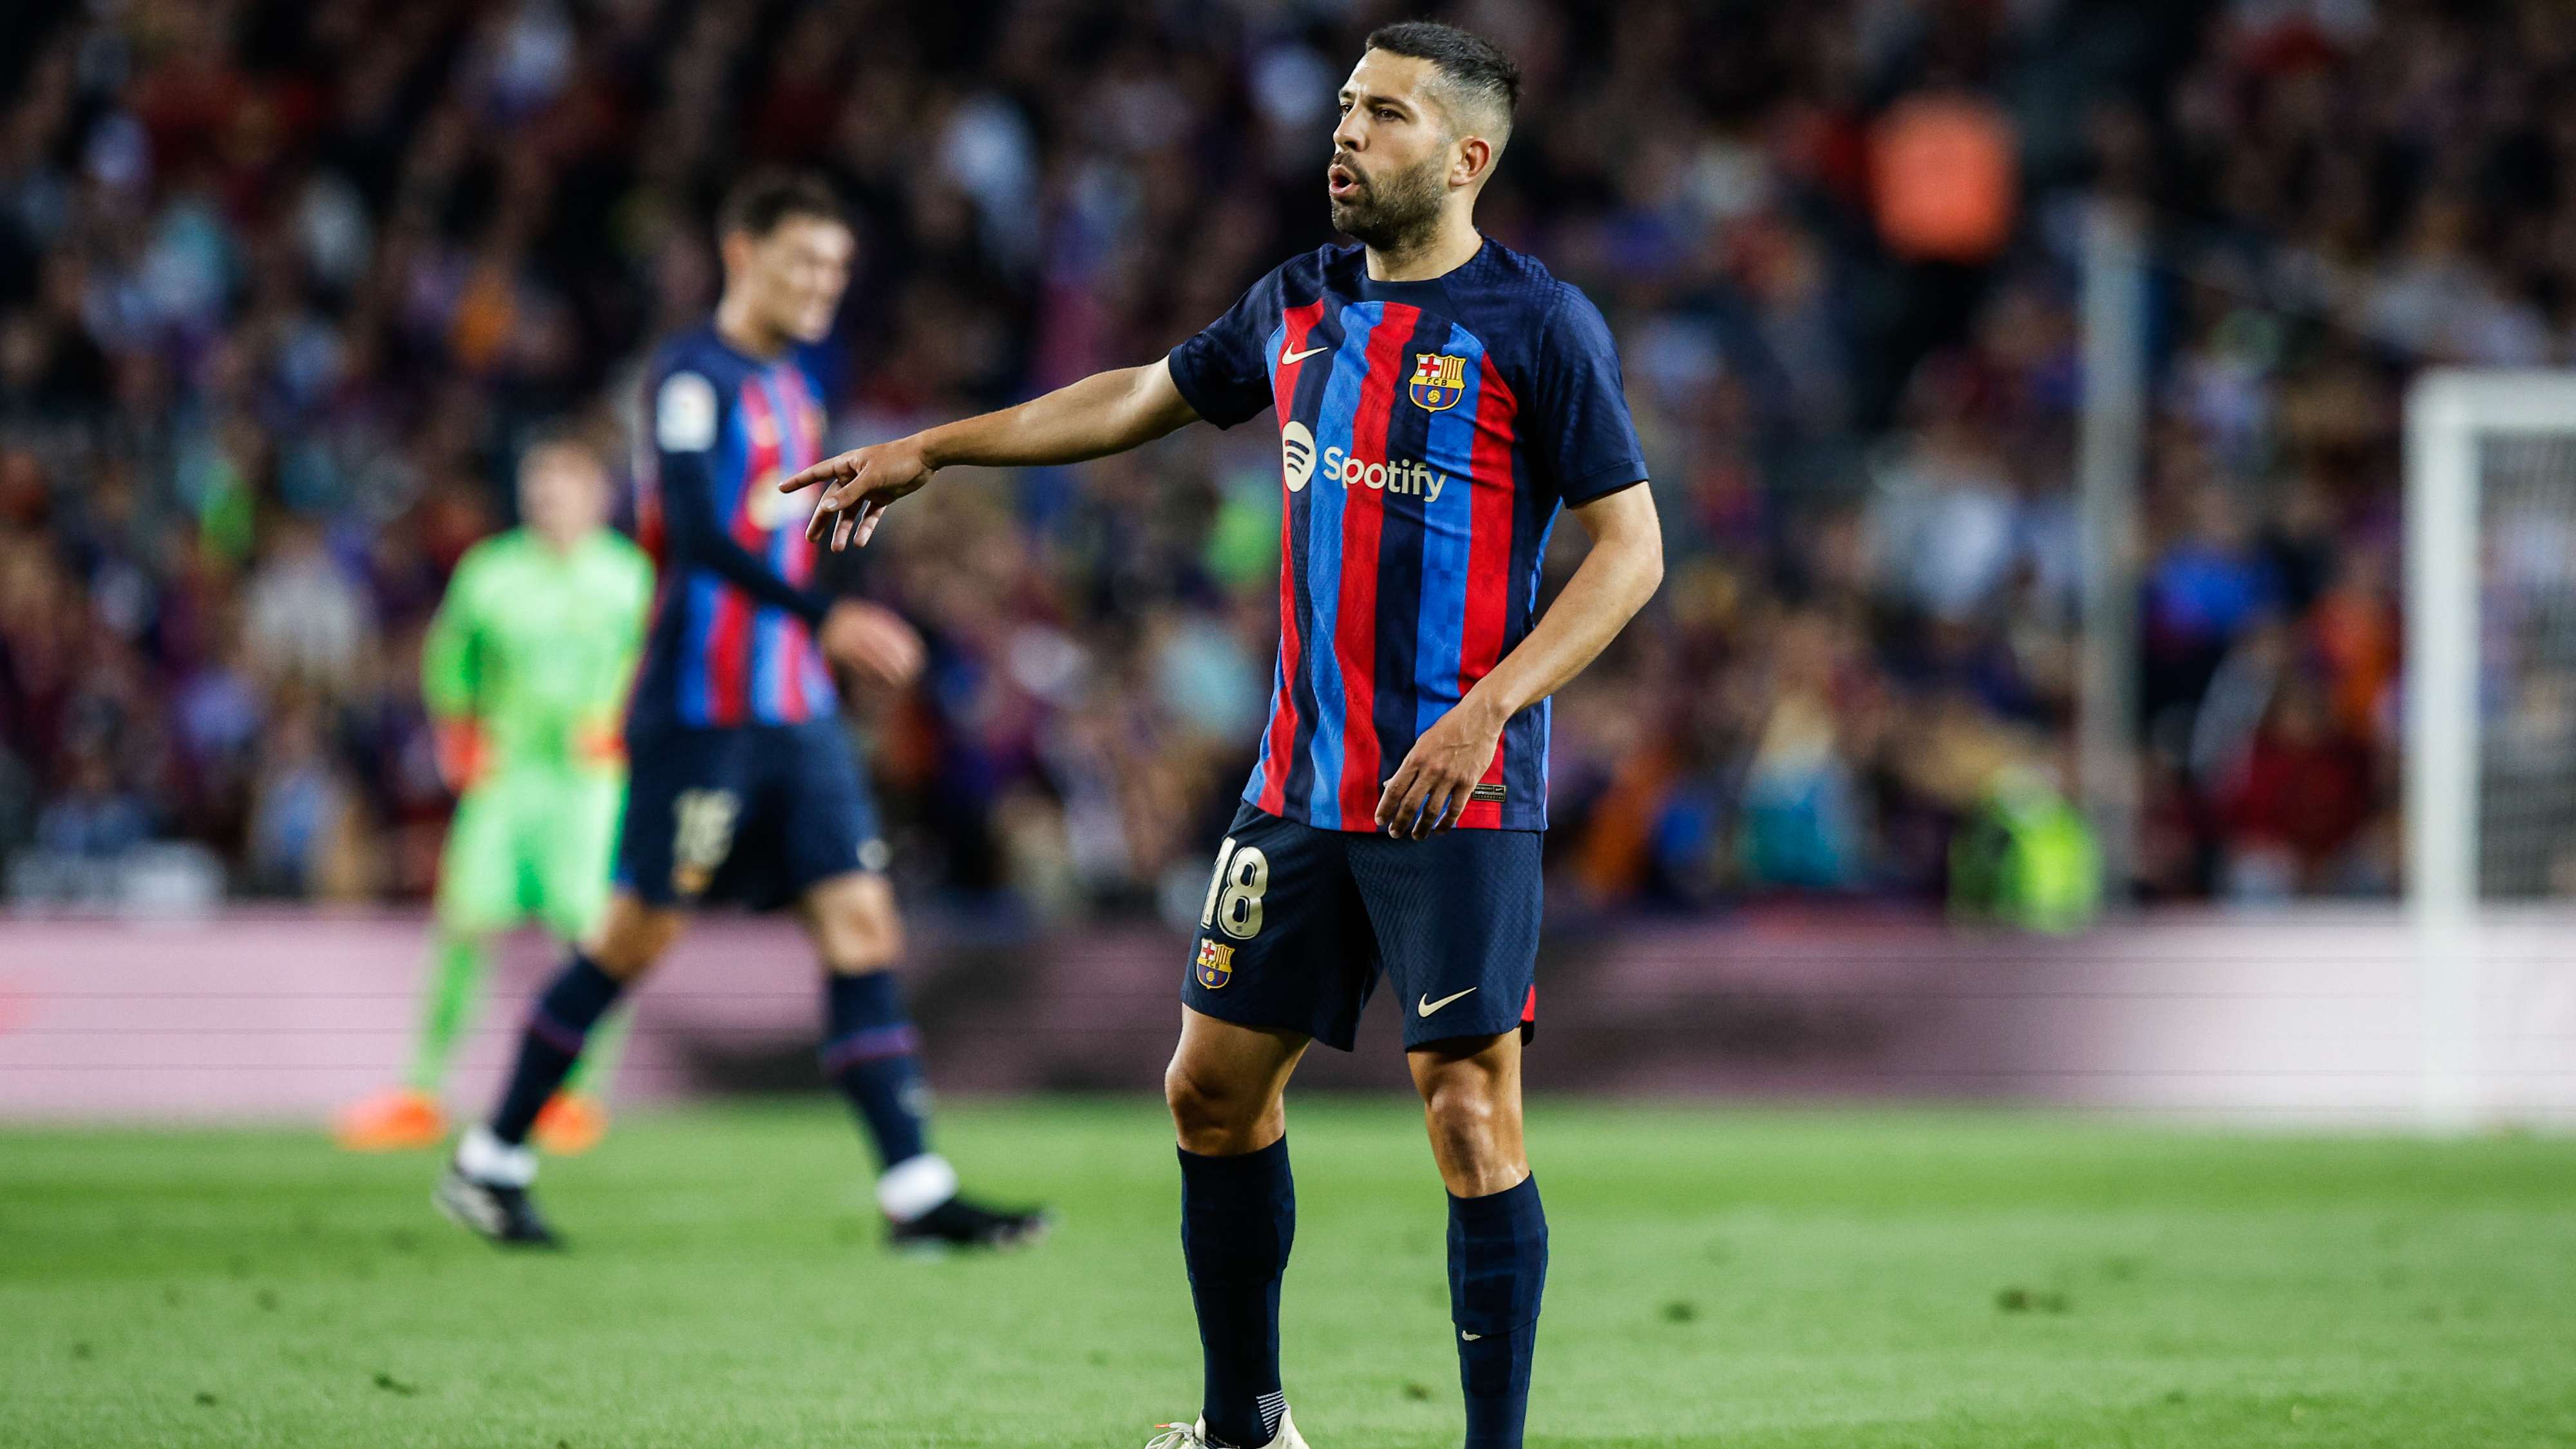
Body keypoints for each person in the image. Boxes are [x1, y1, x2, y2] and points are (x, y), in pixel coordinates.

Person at [784, 23, 1662, 1448]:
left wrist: (1491, 706)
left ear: (1466, 157)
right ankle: (1245, 1428)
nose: (1346, 132)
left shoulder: (1538, 326)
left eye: (1385, 114)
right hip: (1299, 787)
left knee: (1466, 1116)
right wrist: (934, 447)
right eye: (1346, 105)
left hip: (1455, 791)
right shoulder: (1299, 299)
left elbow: (1630, 553)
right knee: (1208, 1094)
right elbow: (1139, 395)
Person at [435, 170, 1048, 1255]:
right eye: (803, 262)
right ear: (742, 254)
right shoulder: (691, 375)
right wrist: (824, 616)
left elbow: (784, 539)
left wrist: (848, 597)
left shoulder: (798, 385)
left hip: (795, 712)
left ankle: (915, 1190)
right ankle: (491, 1161)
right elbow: (693, 530)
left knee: (862, 923)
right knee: (635, 936)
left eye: (837, 268)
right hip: (701, 711)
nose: (821, 285)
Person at [334, 435, 650, 1155]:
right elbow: (451, 657)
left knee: (593, 937)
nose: (547, 501)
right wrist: (457, 732)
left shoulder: (629, 578)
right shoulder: (492, 573)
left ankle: (576, 1097)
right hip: (507, 776)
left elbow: (660, 665)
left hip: (588, 782)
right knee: (464, 923)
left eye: (561, 487)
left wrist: (628, 730)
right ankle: (420, 1092)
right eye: (537, 488)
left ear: (596, 496)